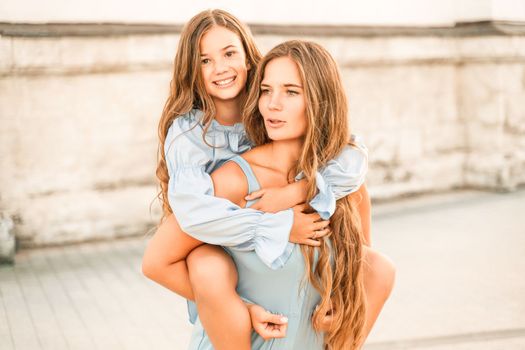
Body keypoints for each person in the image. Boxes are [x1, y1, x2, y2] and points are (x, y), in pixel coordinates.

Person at [141, 9, 393, 349]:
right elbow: (160, 256)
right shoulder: (218, 170)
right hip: (227, 298)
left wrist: (297, 193)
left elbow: (362, 250)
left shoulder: (338, 179)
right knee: (207, 268)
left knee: (379, 268)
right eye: (267, 91)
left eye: (291, 92)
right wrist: (243, 306)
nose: (273, 105)